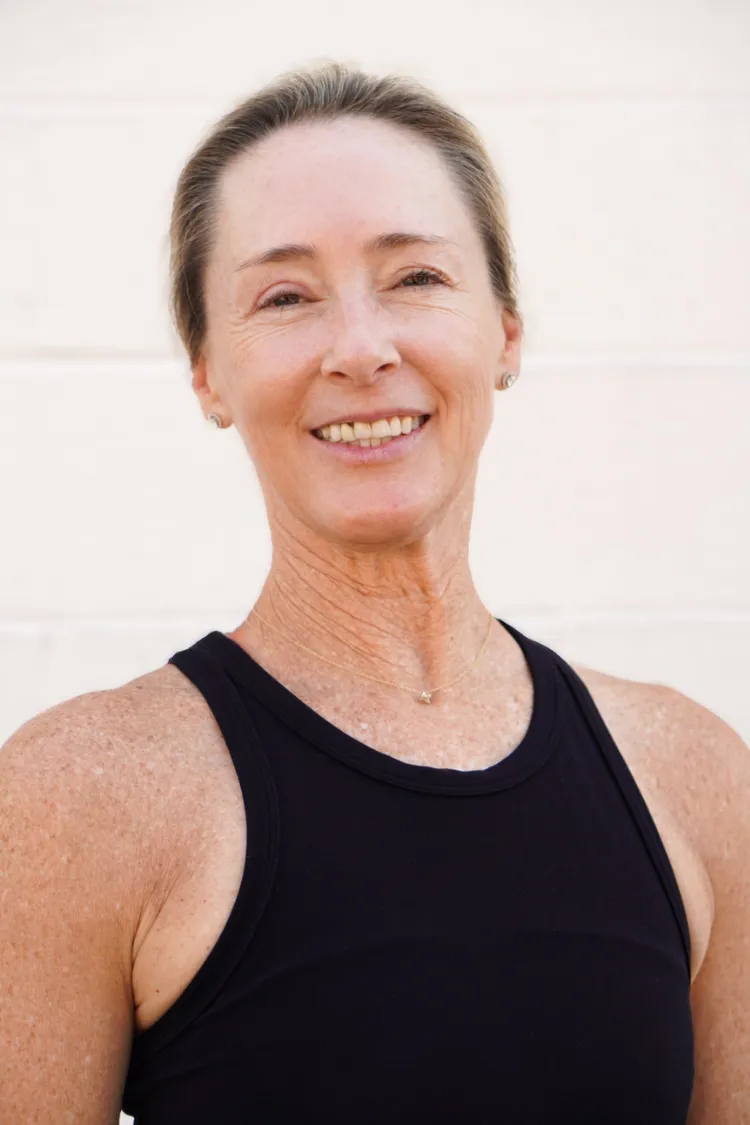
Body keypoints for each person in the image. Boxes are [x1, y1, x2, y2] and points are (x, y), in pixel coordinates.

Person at [1, 62, 748, 1125]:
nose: (360, 348)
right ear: (208, 371)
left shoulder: (695, 775)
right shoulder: (81, 797)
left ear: (507, 333)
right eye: (286, 297)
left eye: (417, 278)